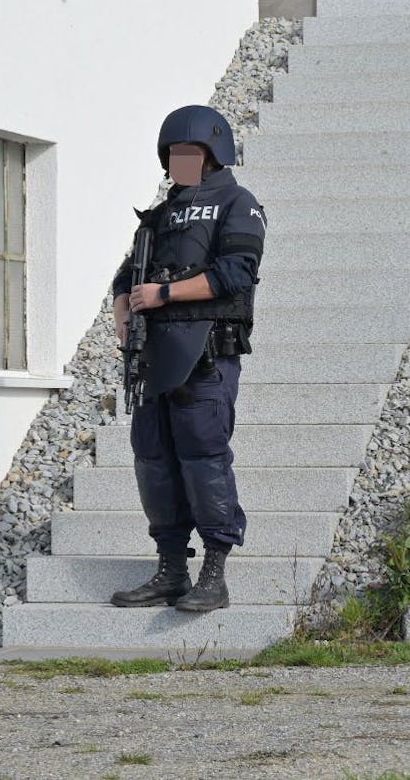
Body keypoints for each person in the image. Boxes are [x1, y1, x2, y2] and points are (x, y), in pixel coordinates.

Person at [107, 104, 266, 612]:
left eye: (189, 152)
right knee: (153, 461)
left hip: (206, 357)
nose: (180, 161)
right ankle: (171, 570)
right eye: (174, 153)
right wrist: (122, 310)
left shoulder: (238, 204)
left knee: (204, 459)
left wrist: (164, 296)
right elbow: (128, 276)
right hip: (154, 358)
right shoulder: (159, 216)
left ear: (214, 154)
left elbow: (236, 272)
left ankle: (214, 576)